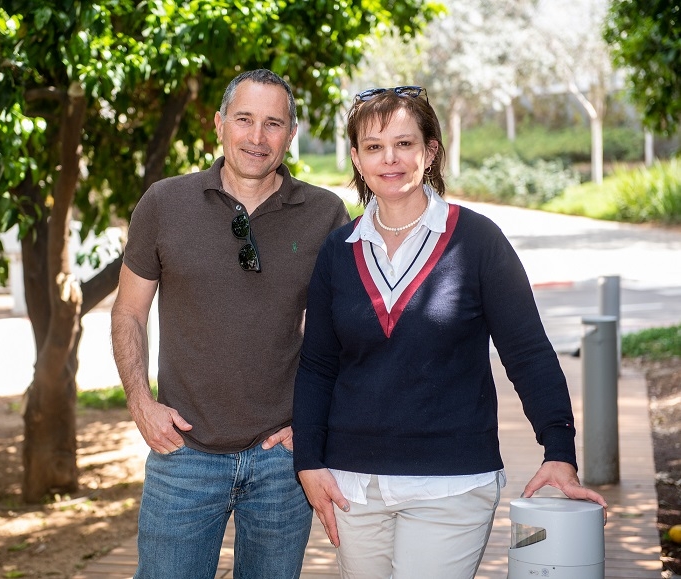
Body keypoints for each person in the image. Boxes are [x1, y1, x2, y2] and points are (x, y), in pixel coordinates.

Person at [291, 86, 607, 578]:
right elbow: (317, 365)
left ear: (430, 150)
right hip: (354, 485)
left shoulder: (478, 240)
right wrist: (308, 462)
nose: (389, 159)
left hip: (452, 483)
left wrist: (559, 450)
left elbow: (526, 352)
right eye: (373, 147)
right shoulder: (338, 250)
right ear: (356, 157)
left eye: (404, 143)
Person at [110, 68, 350, 579]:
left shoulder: (326, 213)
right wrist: (140, 403)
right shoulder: (163, 202)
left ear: (290, 133)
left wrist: (314, 425)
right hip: (183, 454)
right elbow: (129, 310)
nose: (257, 138)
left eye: (273, 123)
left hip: (282, 461)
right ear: (219, 125)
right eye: (244, 119)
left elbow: (346, 334)